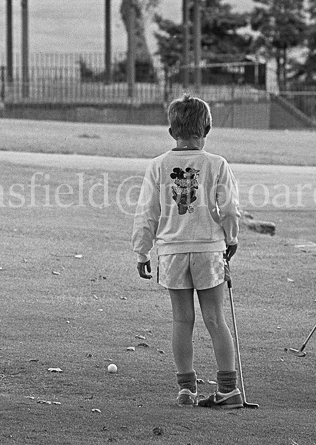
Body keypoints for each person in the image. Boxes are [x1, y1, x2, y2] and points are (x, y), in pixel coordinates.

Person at [131, 94, 243, 408]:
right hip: (209, 250)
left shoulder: (157, 166)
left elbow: (146, 213)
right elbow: (231, 210)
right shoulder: (217, 164)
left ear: (171, 130)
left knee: (182, 321)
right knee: (215, 319)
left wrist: (142, 252)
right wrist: (230, 238)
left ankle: (186, 389)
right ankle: (228, 389)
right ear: (207, 127)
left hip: (171, 251)